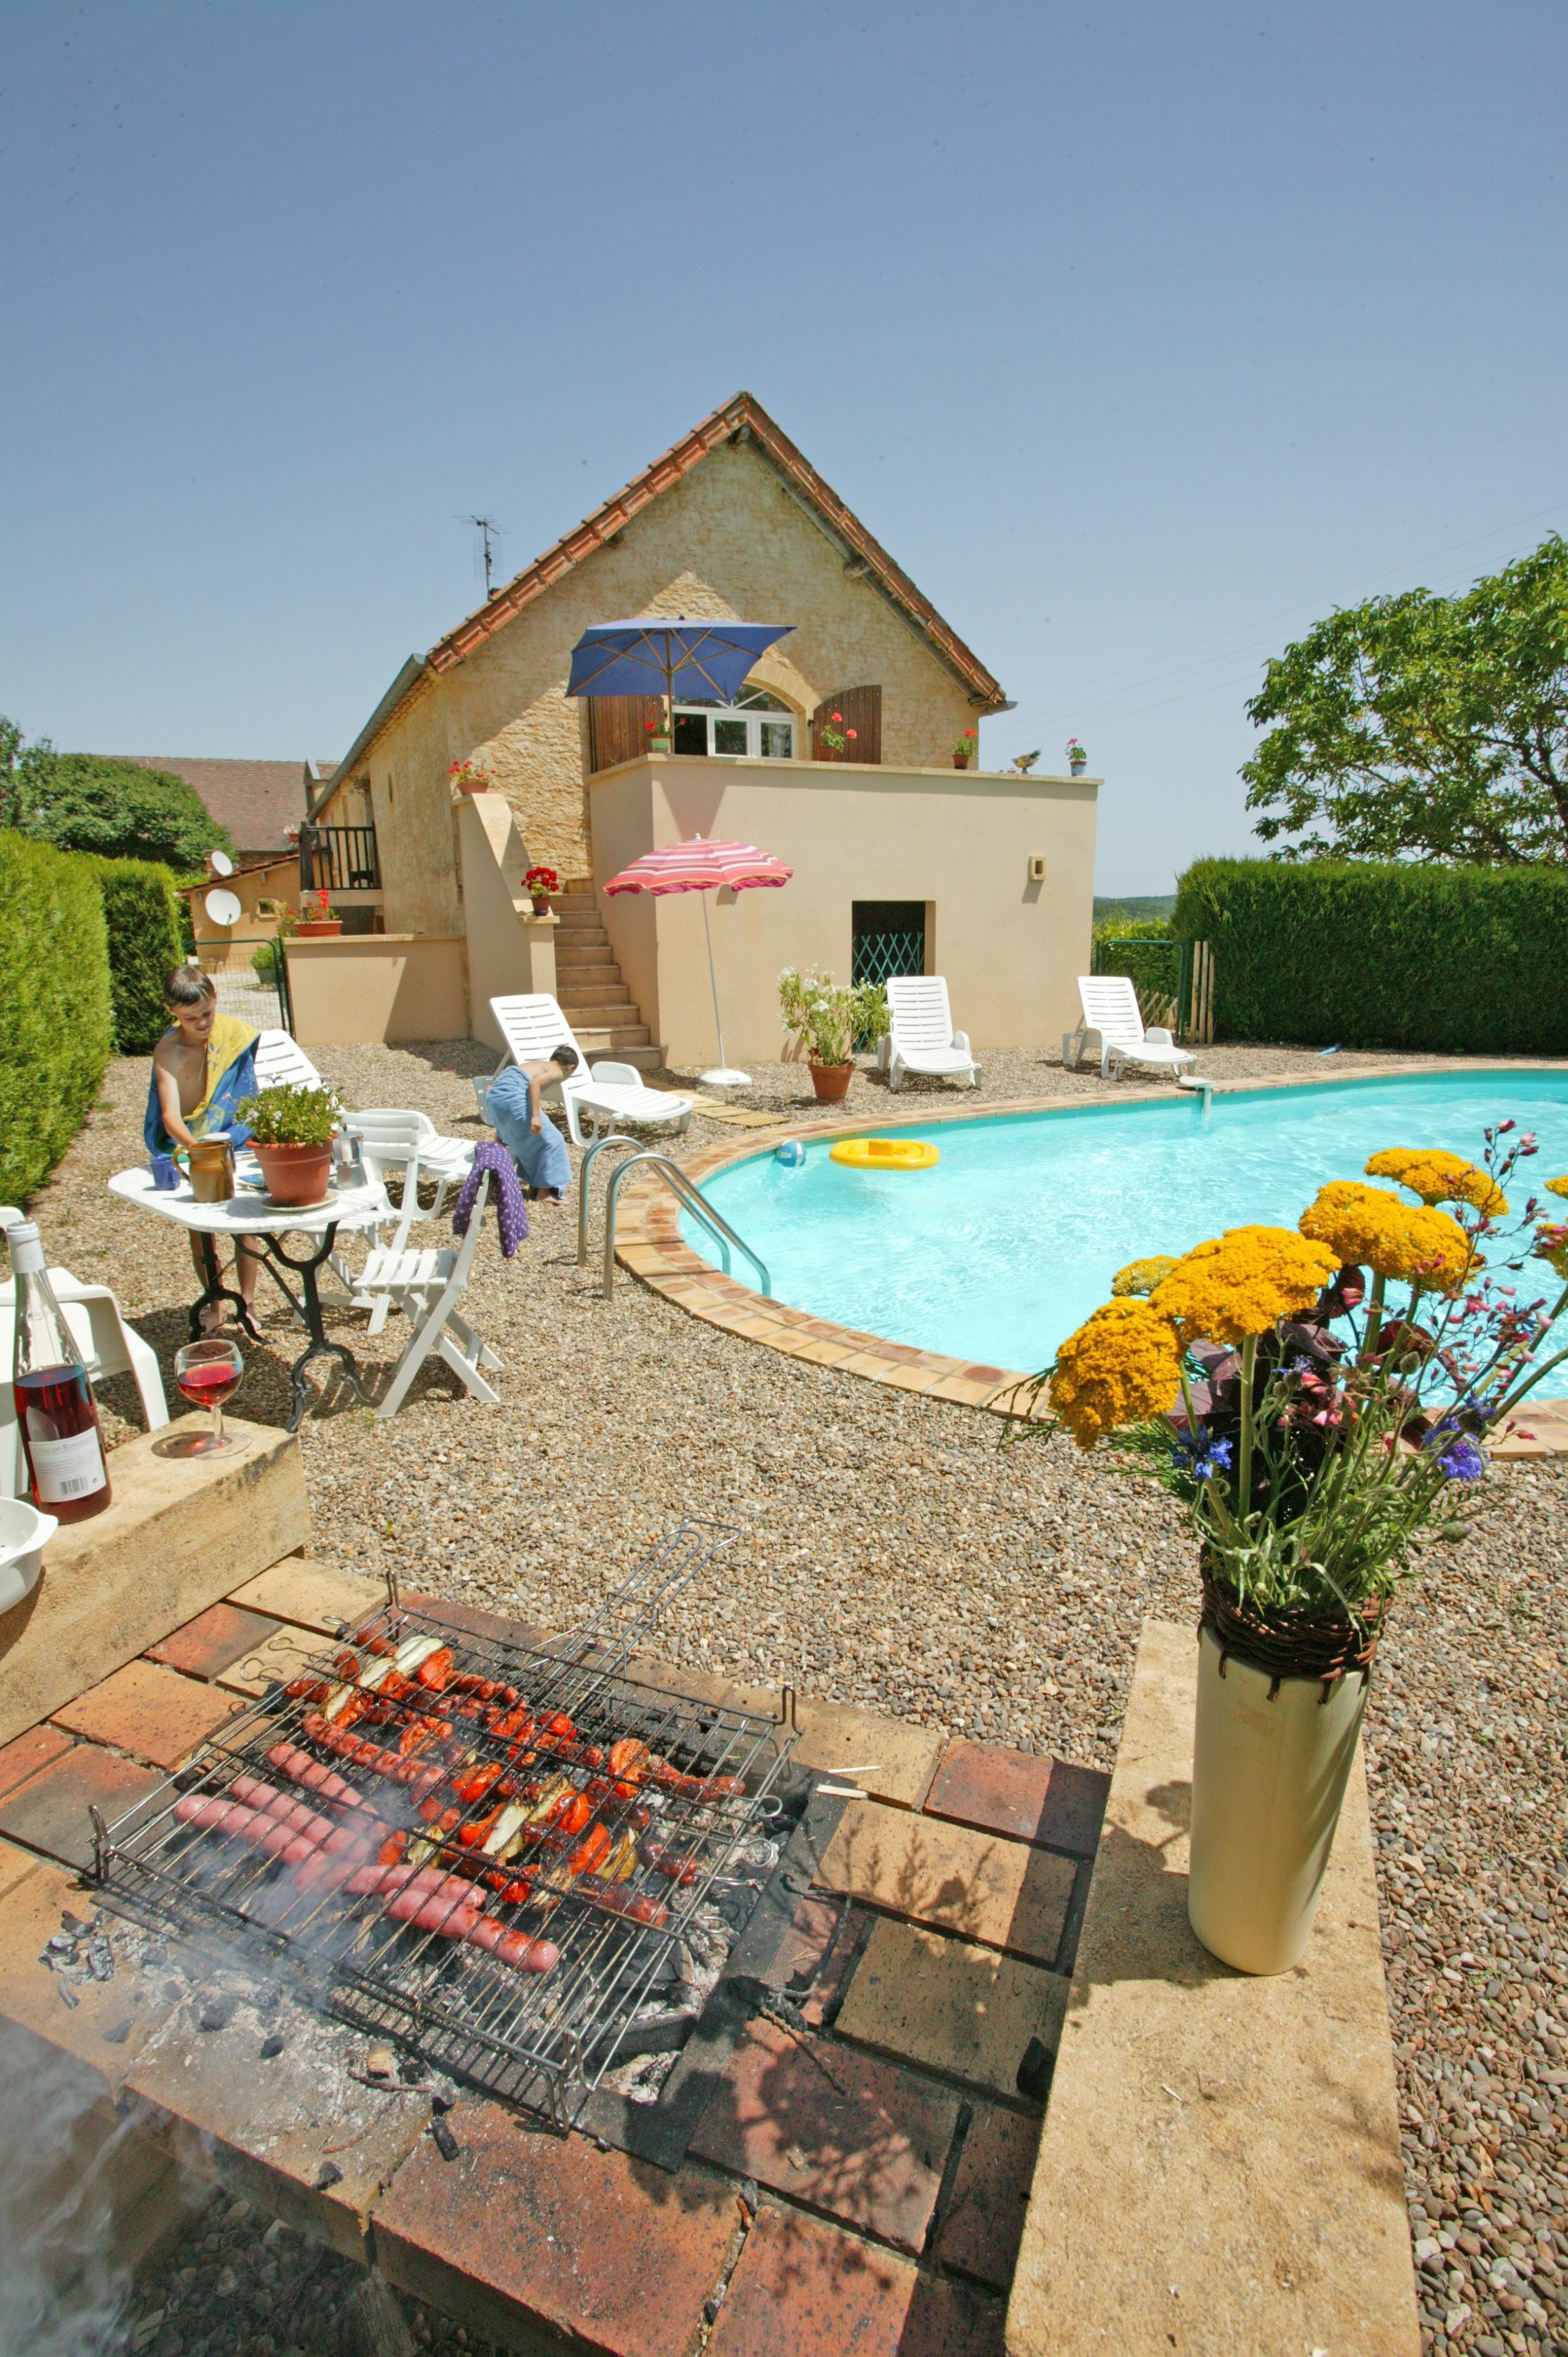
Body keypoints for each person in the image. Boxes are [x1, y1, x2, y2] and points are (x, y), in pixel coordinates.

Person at [144, 966, 263, 1325]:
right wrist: (201, 1153)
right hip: (190, 1147)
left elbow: (245, 1098)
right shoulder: (169, 1051)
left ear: (216, 1000)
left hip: (232, 1137)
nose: (201, 1023)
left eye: (207, 1013)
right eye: (190, 1018)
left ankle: (249, 1304)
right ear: (172, 1013)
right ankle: (218, 1306)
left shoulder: (233, 1036)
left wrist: (228, 1147)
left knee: (246, 1224)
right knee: (200, 1232)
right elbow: (170, 1118)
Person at [484, 1045, 579, 1202]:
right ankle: (545, 1193)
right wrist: (536, 1116)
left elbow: (513, 1090)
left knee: (524, 1135)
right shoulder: (557, 1071)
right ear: (570, 1067)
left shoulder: (538, 1064)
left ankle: (497, 1159)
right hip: (512, 1099)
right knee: (553, 1140)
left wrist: (501, 1132)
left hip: (494, 1099)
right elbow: (534, 1085)